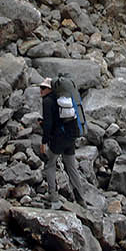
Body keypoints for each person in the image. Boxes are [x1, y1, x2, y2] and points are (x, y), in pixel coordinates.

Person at [39, 78, 91, 209]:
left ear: (50, 89)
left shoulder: (47, 101)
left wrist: (44, 141)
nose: (41, 90)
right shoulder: (62, 99)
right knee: (71, 167)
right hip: (70, 136)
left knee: (50, 165)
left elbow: (49, 124)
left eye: (43, 88)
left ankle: (54, 198)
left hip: (58, 138)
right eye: (40, 87)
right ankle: (81, 200)